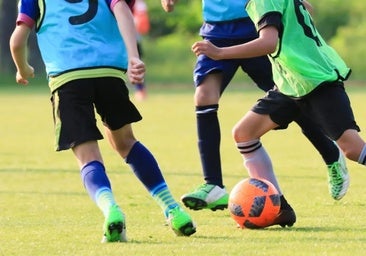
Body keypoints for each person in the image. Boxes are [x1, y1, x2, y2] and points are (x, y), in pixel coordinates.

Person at [10, 0, 196, 242]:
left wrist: (23, 69)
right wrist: (133, 56)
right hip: (110, 73)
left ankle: (111, 210)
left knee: (88, 157)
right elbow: (123, 11)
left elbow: (17, 41)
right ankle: (174, 209)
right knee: (127, 143)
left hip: (68, 78)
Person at [165, 0, 348, 225]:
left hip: (257, 25)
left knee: (293, 96)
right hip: (217, 29)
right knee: (204, 96)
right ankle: (214, 184)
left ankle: (331, 154)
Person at [132, 0, 150, 101]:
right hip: (115, 39)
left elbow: (142, 25)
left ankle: (140, 90)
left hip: (134, 39)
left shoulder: (139, 3)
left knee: (136, 65)